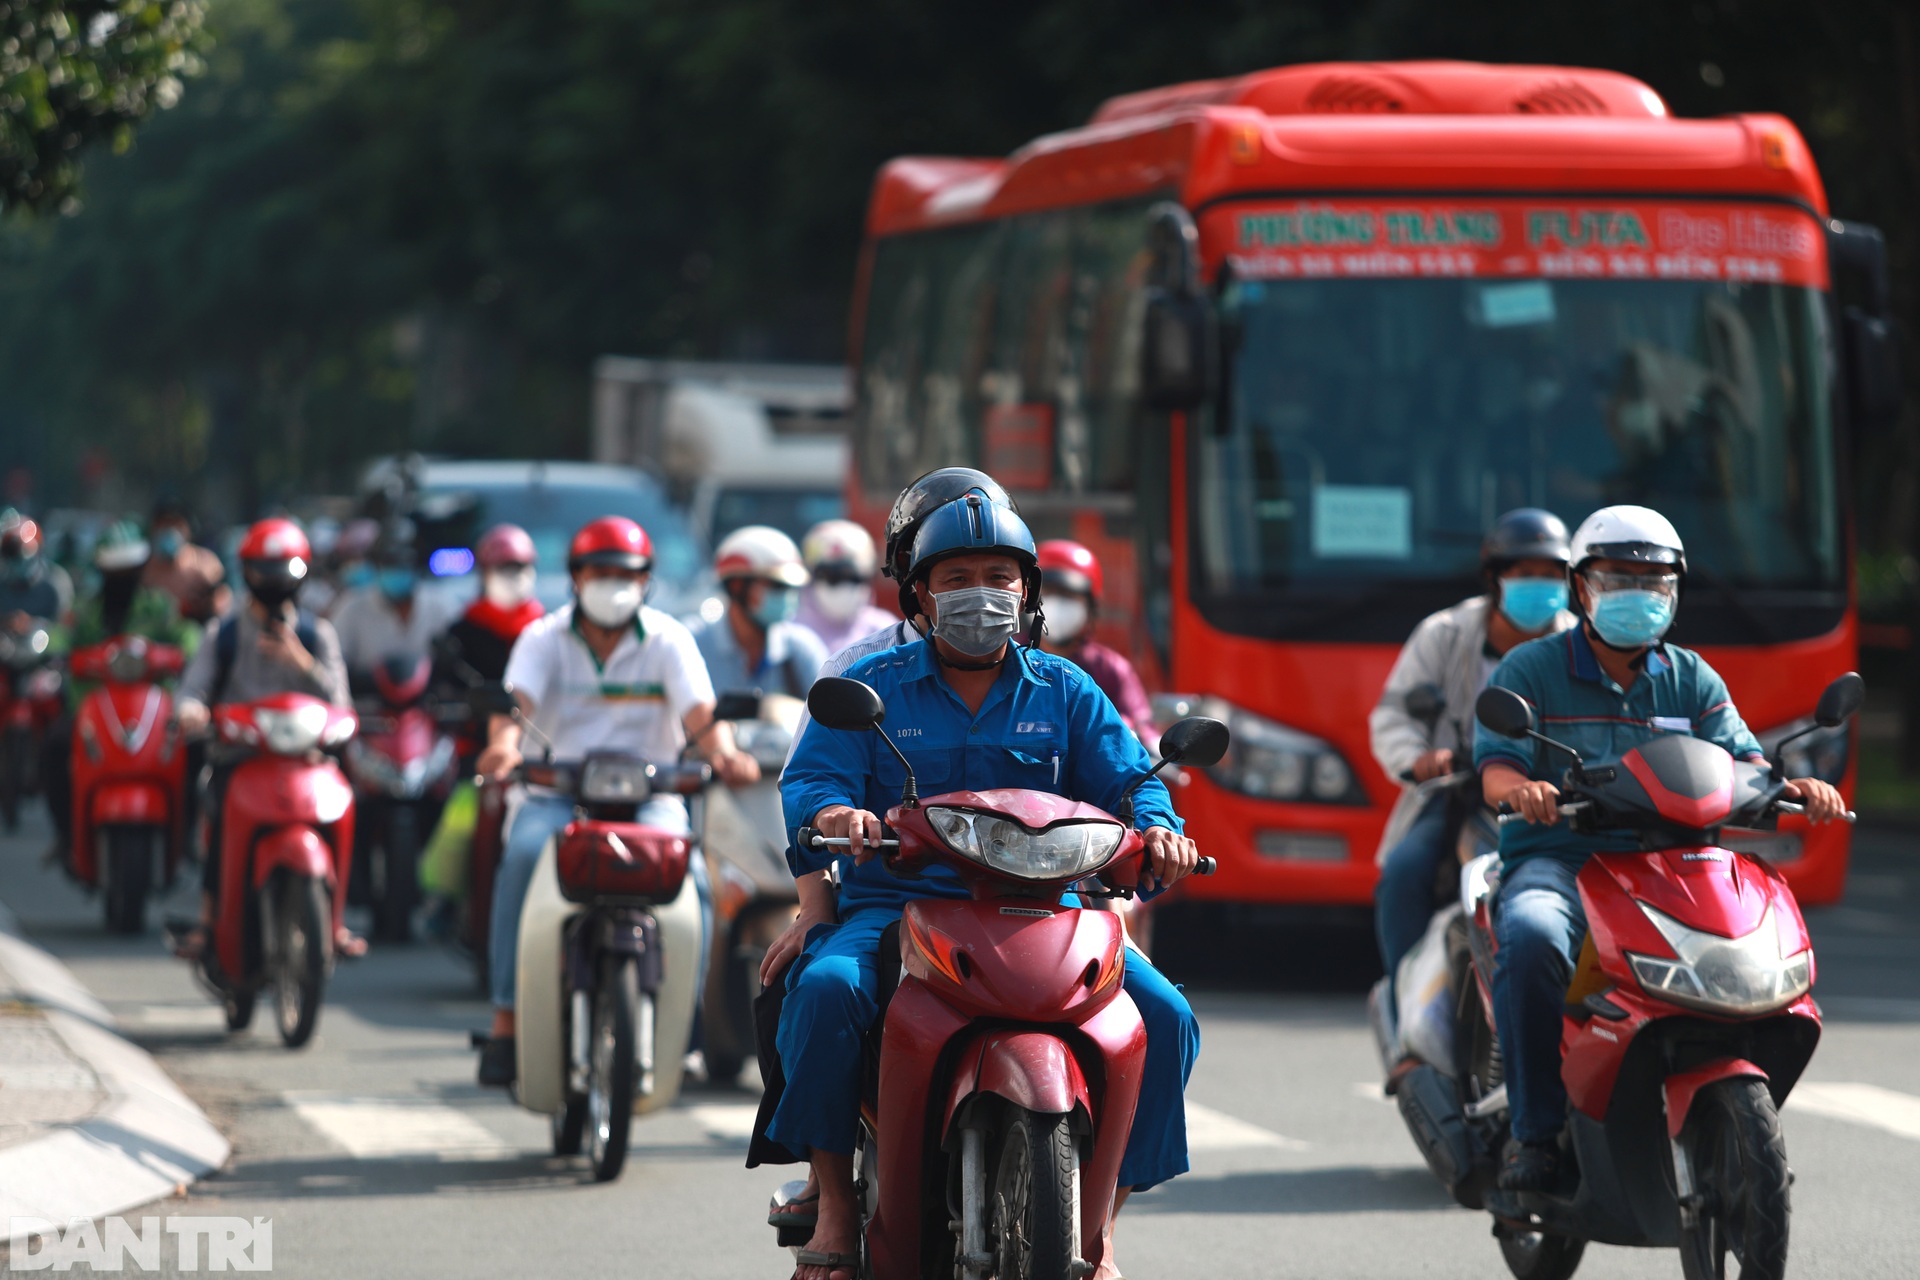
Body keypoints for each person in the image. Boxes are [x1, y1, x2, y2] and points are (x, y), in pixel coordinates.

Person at [770, 490, 1201, 1280]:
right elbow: (813, 782)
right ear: (921, 594)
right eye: (958, 575)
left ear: (1026, 591)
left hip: (1053, 907)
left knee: (1166, 1016)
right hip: (898, 906)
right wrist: (840, 815)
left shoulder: (1067, 691)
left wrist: (1160, 830)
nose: (980, 592)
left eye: (998, 574)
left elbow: (1135, 781)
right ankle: (832, 1197)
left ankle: (1101, 1222)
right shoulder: (873, 686)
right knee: (825, 989)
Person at [1474, 505, 1847, 1191]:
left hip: (1669, 863)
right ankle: (1533, 1136)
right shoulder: (1530, 669)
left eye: (1654, 581)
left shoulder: (1693, 679)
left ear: (1674, 591)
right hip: (1559, 860)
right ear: (1582, 588)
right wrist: (1521, 789)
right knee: (1529, 939)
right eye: (1620, 578)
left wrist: (1799, 788)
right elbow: (1497, 763)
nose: (1638, 594)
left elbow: (1746, 763)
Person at [472, 516, 759, 1087]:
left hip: (650, 798)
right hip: (556, 797)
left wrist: (725, 754)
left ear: (647, 580)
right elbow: (512, 707)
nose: (613, 584)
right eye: (600, 573)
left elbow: (701, 717)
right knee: (524, 855)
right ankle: (506, 1018)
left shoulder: (668, 639)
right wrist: (503, 749)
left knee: (695, 880)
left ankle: (685, 1025)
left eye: (626, 574)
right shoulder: (542, 639)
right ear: (576, 577)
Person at [1369, 509, 1575, 1006]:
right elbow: (1393, 713)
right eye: (1526, 575)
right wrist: (1419, 759)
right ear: (1494, 577)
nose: (1540, 587)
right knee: (1405, 872)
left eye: (1552, 576)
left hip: (1554, 799)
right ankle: (1406, 1008)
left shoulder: (1579, 643)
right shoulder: (1443, 633)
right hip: (1460, 794)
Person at [173, 519, 358, 958]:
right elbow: (192, 690)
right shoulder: (226, 632)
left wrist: (300, 661)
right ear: (247, 572)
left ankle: (335, 920)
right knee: (217, 813)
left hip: (307, 757)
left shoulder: (318, 635)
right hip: (242, 755)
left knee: (349, 799)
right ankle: (207, 918)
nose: (274, 581)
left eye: (283, 569)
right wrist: (192, 712)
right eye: (264, 570)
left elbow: (341, 701)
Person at [42, 522, 201, 855]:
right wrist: (55, 650)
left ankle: (186, 835)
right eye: (115, 570)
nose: (122, 577)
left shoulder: (158, 606)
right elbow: (61, 636)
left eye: (129, 569)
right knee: (55, 746)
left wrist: (180, 652)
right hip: (92, 709)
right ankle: (67, 834)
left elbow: (187, 635)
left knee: (195, 748)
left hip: (152, 712)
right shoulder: (86, 610)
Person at [418, 524, 546, 927]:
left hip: (540, 756)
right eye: (503, 568)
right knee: (460, 822)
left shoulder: (547, 632)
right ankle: (448, 898)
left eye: (520, 567)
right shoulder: (463, 632)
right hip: (479, 756)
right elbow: (437, 688)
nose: (513, 576)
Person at [687, 525, 827, 700]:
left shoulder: (802, 649)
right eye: (778, 586)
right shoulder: (691, 643)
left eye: (792, 589)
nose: (788, 597)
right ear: (737, 586)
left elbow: (829, 720)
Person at [1035, 538, 1154, 737]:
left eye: (1067, 595)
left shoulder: (1111, 670)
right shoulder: (1009, 660)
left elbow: (1144, 734)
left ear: (1090, 608)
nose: (1056, 606)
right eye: (1047, 594)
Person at [329, 520, 455, 691]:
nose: (395, 570)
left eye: (401, 562)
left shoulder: (441, 606)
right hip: (369, 709)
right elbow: (332, 665)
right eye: (388, 563)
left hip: (428, 708)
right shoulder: (352, 608)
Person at [793, 519, 895, 655]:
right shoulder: (792, 632)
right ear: (812, 576)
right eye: (832, 577)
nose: (843, 586)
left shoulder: (886, 631)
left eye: (852, 577)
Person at [141, 501, 231, 624]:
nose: (170, 529)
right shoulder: (144, 567)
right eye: (164, 523)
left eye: (176, 524)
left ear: (188, 528)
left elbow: (224, 601)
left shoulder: (205, 561)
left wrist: (209, 600)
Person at [0, 510, 72, 627]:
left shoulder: (55, 583)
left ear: (36, 550)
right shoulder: (2, 587)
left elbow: (63, 628)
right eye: (10, 551)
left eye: (19, 551)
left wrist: (33, 624)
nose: (15, 559)